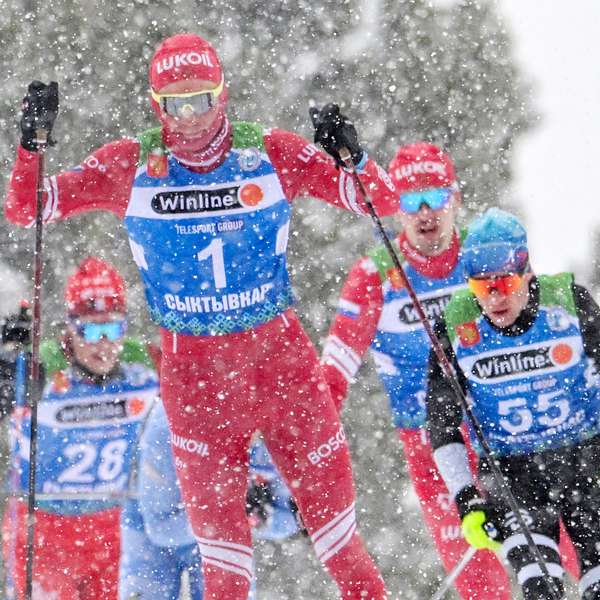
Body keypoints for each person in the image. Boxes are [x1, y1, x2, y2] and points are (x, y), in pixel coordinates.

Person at [6, 33, 399, 599]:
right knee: (225, 574)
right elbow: (27, 209)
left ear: (223, 93)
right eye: (174, 103)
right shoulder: (131, 165)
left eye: (201, 99)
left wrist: (353, 158)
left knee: (341, 547)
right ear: (155, 104)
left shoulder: (270, 153)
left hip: (282, 369)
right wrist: (31, 146)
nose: (189, 117)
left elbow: (379, 201)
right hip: (197, 385)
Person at [321, 142, 511, 599]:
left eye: (435, 197)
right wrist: (307, 448)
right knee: (479, 578)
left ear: (455, 198)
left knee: (564, 542)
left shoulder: (484, 256)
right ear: (394, 207)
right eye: (411, 201)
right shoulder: (375, 275)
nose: (425, 213)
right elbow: (333, 374)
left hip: (501, 427)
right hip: (429, 444)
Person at [427, 208, 600, 599]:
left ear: (527, 273)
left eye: (505, 282)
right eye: (481, 286)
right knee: (541, 589)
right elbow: (441, 423)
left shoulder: (569, 304)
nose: (494, 297)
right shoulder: (455, 326)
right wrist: (467, 498)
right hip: (514, 474)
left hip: (586, 462)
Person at [2, 257, 158, 599]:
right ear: (70, 330)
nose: (103, 343)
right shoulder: (41, 369)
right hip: (43, 529)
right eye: (89, 330)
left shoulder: (143, 368)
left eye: (113, 329)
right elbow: (8, 387)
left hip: (112, 529)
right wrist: (9, 359)